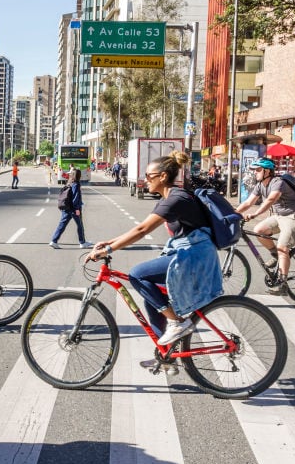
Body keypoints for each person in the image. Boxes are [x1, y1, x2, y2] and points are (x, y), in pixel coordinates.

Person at [86, 151, 222, 359]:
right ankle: (166, 353)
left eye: (149, 176)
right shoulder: (169, 197)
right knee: (151, 296)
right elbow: (139, 227)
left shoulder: (176, 199)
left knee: (138, 275)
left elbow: (142, 231)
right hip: (189, 252)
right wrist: (109, 242)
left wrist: (109, 250)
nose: (145, 179)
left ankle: (177, 322)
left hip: (196, 256)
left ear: (163, 177)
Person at [234, 158, 295, 294]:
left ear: (267, 171)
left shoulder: (278, 183)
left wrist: (255, 214)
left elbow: (270, 200)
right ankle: (275, 255)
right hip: (279, 216)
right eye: (254, 170)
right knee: (259, 230)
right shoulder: (260, 185)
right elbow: (248, 202)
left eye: (258, 170)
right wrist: (232, 213)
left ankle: (282, 284)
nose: (255, 173)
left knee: (283, 248)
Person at [49, 167, 94, 249]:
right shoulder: (76, 184)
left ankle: (53, 241)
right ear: (78, 176)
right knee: (80, 225)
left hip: (66, 207)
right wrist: (77, 209)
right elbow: (76, 198)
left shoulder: (69, 183)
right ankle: (82, 242)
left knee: (62, 224)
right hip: (74, 209)